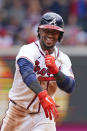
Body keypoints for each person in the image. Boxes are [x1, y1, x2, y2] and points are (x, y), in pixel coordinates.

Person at [1, 12, 75, 131]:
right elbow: (27, 73)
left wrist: (55, 70)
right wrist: (43, 95)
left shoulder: (63, 58)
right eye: (46, 30)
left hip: (44, 115)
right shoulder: (28, 50)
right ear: (39, 31)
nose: (50, 35)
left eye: (54, 32)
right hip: (18, 111)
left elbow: (69, 86)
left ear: (60, 35)